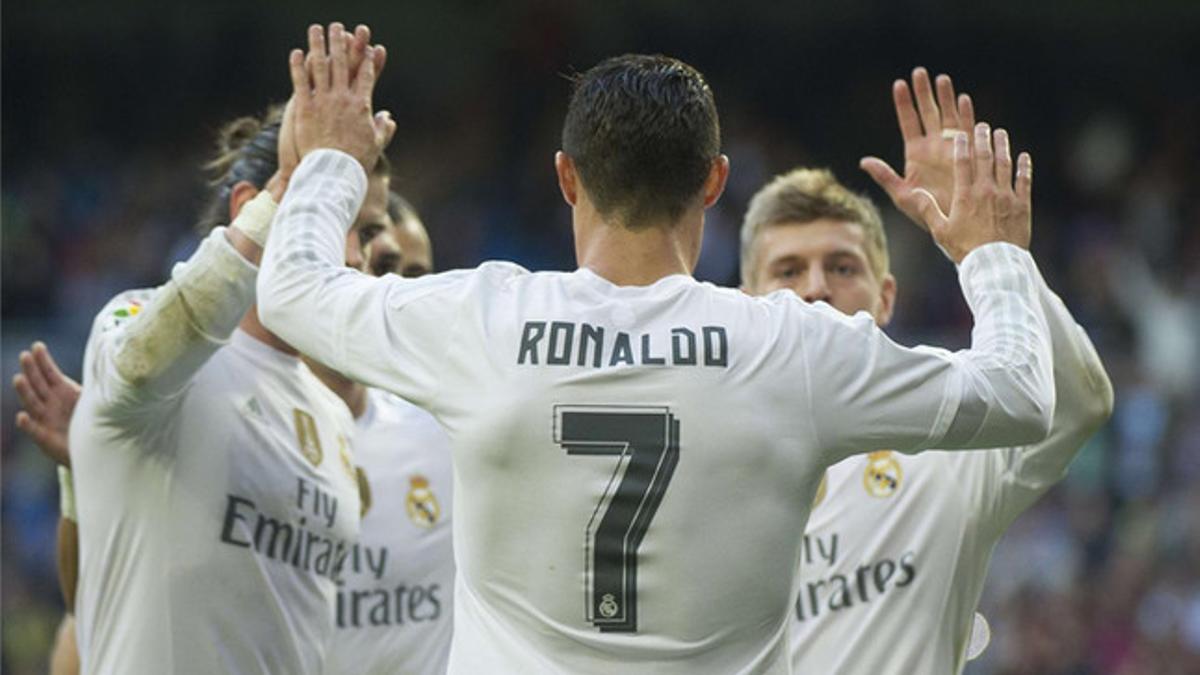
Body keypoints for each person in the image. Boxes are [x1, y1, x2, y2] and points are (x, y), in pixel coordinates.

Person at [258, 24, 1055, 673]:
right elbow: (1022, 390)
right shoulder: (791, 345)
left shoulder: (482, 318)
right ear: (714, 182)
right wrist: (990, 250)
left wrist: (331, 159)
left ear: (567, 178)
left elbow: (289, 291)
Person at [738, 71, 1113, 675]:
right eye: (787, 271)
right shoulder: (709, 454)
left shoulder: (940, 451)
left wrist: (982, 252)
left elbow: (1078, 403)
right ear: (746, 301)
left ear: (886, 298)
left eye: (840, 267)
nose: (814, 289)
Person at [15, 186, 457, 675]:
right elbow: (86, 623)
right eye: (377, 263)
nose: (386, 289)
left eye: (414, 277)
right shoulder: (208, 407)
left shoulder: (442, 435)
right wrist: (93, 466)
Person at [61, 44, 389, 669]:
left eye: (368, 232)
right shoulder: (135, 328)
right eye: (344, 219)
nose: (355, 256)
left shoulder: (331, 412)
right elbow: (139, 365)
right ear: (252, 205)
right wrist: (294, 185)